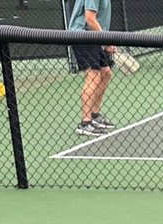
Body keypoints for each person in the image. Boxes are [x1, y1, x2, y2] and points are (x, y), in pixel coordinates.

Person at [68, 0, 117, 137]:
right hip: (83, 35)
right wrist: (106, 42)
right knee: (93, 75)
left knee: (105, 73)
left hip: (93, 37)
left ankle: (94, 116)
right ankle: (85, 123)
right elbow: (90, 19)